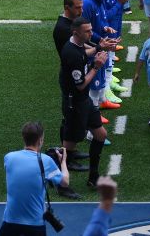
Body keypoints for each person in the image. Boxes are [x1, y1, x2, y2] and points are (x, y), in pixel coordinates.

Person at [60, 17, 111, 188]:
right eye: (87, 31)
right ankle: (61, 183)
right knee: (68, 146)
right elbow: (81, 84)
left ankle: (93, 177)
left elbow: (84, 53)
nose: (91, 33)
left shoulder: (77, 45)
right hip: (74, 103)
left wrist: (98, 47)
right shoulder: (72, 54)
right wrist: (96, 66)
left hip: (84, 100)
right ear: (76, 33)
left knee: (101, 135)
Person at [0, 121, 69, 235]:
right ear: (40, 140)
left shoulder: (8, 158)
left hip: (10, 222)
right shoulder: (46, 161)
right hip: (35, 224)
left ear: (24, 137)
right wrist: (63, 162)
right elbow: (65, 182)